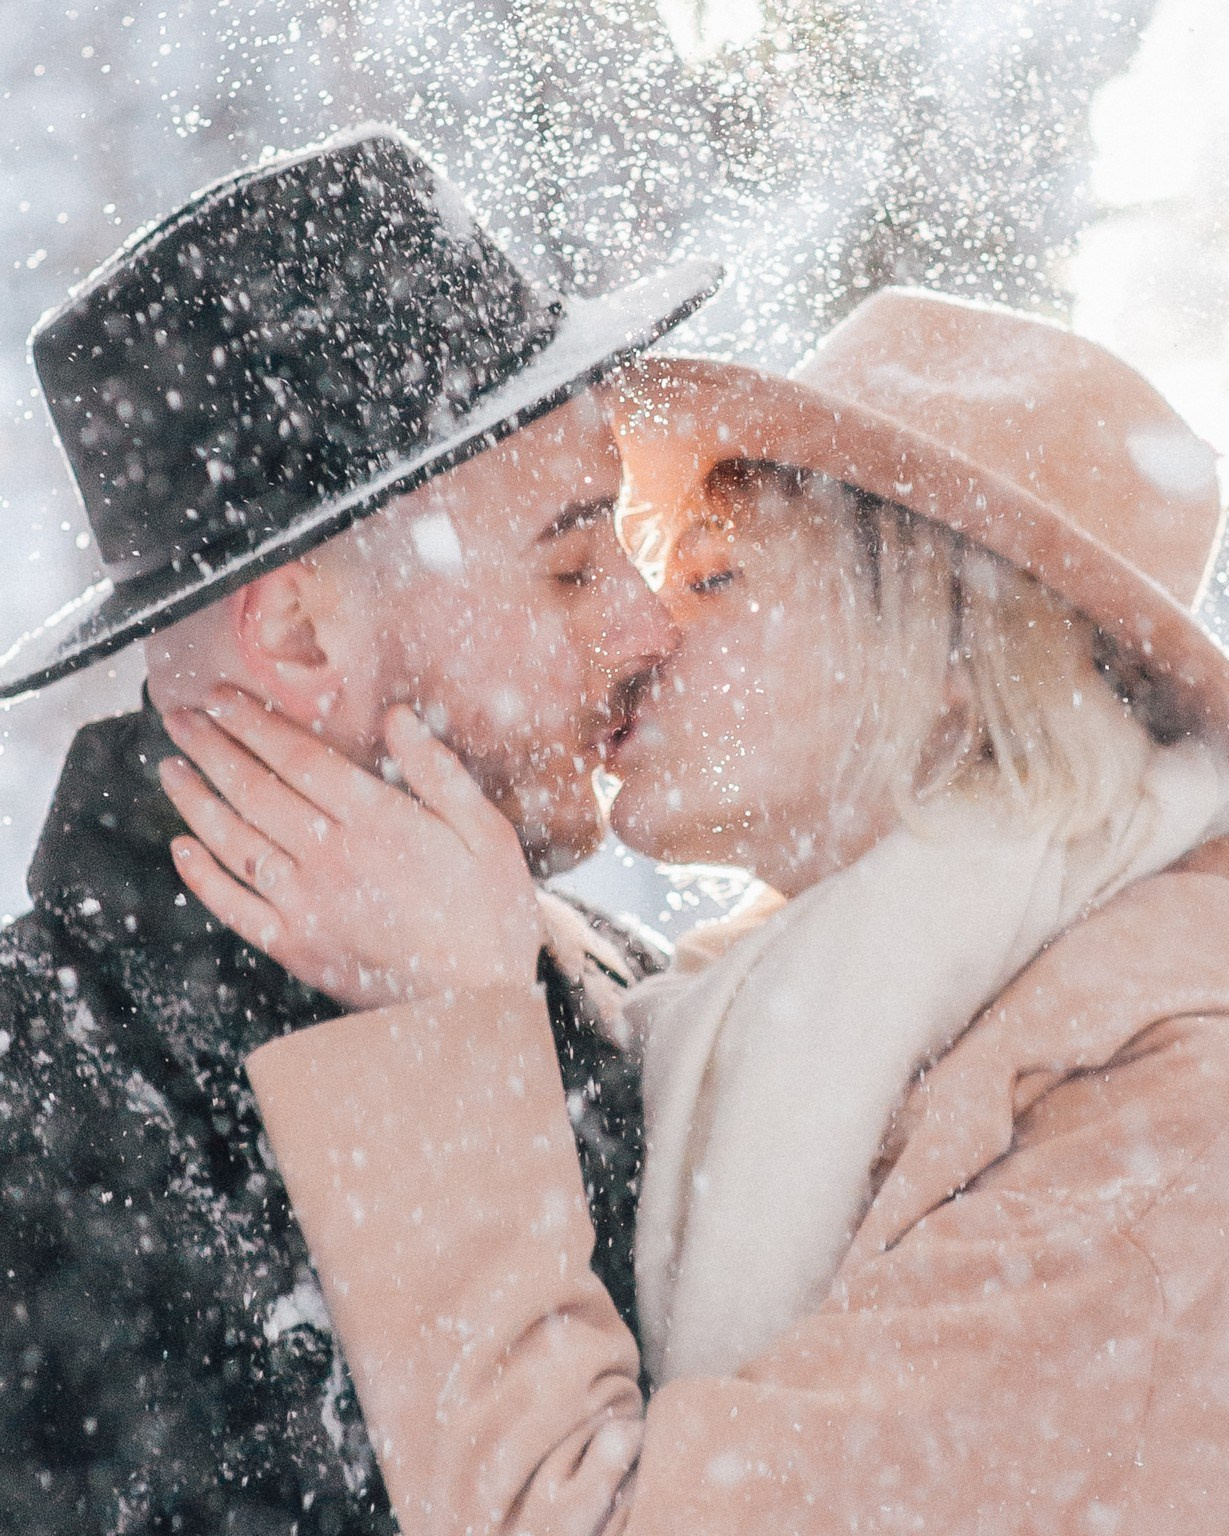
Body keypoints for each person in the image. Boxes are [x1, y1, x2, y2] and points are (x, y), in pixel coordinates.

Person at [168, 287, 1229, 1531]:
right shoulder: (795, 1016)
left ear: (947, 652)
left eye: (716, 577)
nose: (644, 629)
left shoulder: (1166, 1124)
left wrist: (449, 1025)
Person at [0, 124, 719, 1533]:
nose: (648, 623)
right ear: (308, 633)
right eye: (573, 561)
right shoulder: (36, 1136)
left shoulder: (621, 984)